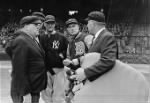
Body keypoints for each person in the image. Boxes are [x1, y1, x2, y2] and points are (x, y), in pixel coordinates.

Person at [5, 16, 47, 103]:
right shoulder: (21, 40)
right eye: (36, 24)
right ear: (26, 26)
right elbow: (19, 69)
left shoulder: (29, 39)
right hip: (26, 90)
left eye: (39, 24)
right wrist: (25, 92)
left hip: (33, 87)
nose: (39, 27)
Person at [71, 11, 118, 82]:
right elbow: (94, 57)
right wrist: (79, 60)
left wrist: (85, 73)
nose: (87, 25)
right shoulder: (96, 37)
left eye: (88, 23)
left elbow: (108, 60)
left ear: (93, 24)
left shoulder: (107, 36)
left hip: (103, 82)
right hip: (98, 81)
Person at [39, 15, 68, 103]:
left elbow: (67, 51)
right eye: (48, 23)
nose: (50, 25)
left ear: (55, 24)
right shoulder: (41, 37)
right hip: (45, 71)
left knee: (59, 97)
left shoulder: (61, 37)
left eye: (52, 23)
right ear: (44, 24)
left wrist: (60, 56)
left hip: (58, 70)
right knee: (46, 96)